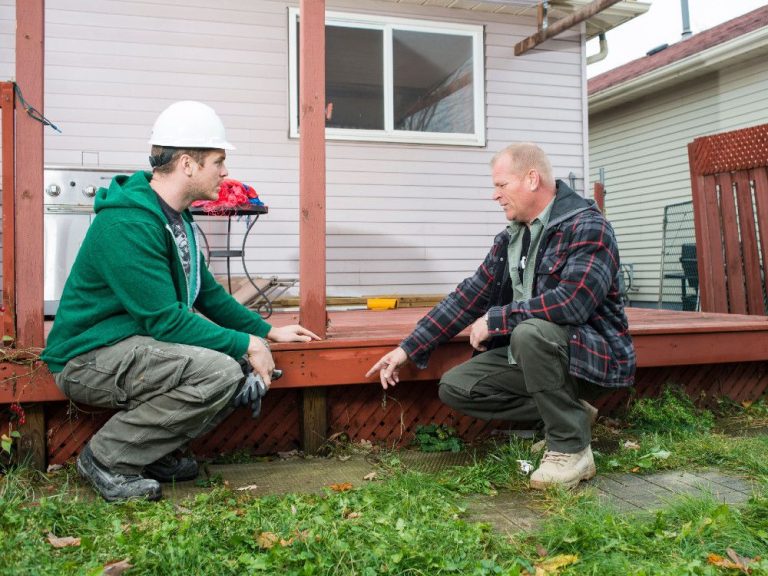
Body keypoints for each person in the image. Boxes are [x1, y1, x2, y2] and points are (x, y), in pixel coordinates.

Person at [42, 101, 319, 502]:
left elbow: (206, 293)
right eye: (218, 161)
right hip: (88, 357)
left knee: (233, 366)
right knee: (221, 371)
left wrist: (268, 331)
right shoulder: (128, 223)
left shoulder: (177, 218)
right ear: (188, 164)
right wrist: (248, 345)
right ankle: (106, 459)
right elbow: (166, 321)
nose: (225, 172)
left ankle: (150, 453)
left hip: (134, 347)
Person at [367, 143, 635, 490]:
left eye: (501, 185)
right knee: (457, 386)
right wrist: (406, 349)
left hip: (590, 358)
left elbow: (574, 302)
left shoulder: (588, 227)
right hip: (539, 357)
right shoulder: (513, 238)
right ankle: (570, 416)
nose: (495, 195)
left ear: (532, 179)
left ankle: (571, 449)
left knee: (528, 332)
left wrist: (497, 320)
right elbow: (468, 296)